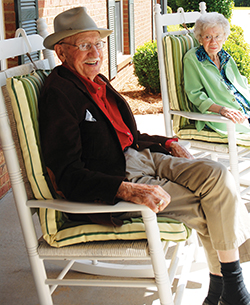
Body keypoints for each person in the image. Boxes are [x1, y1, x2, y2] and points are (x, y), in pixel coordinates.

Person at [39, 7, 250, 305]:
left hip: (140, 154)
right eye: (84, 45)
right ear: (61, 52)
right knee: (208, 204)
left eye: (98, 44)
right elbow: (66, 172)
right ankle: (231, 289)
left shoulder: (98, 82)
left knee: (216, 173)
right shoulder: (59, 94)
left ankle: (223, 290)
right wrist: (125, 189)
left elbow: (126, 135)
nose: (95, 52)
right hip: (117, 174)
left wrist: (168, 141)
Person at [183, 12, 250, 137]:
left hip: (244, 106)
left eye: (218, 36)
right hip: (221, 116)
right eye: (208, 37)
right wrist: (222, 109)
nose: (213, 42)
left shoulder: (225, 57)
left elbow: (241, 83)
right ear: (200, 38)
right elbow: (195, 94)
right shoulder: (193, 59)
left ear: (224, 37)